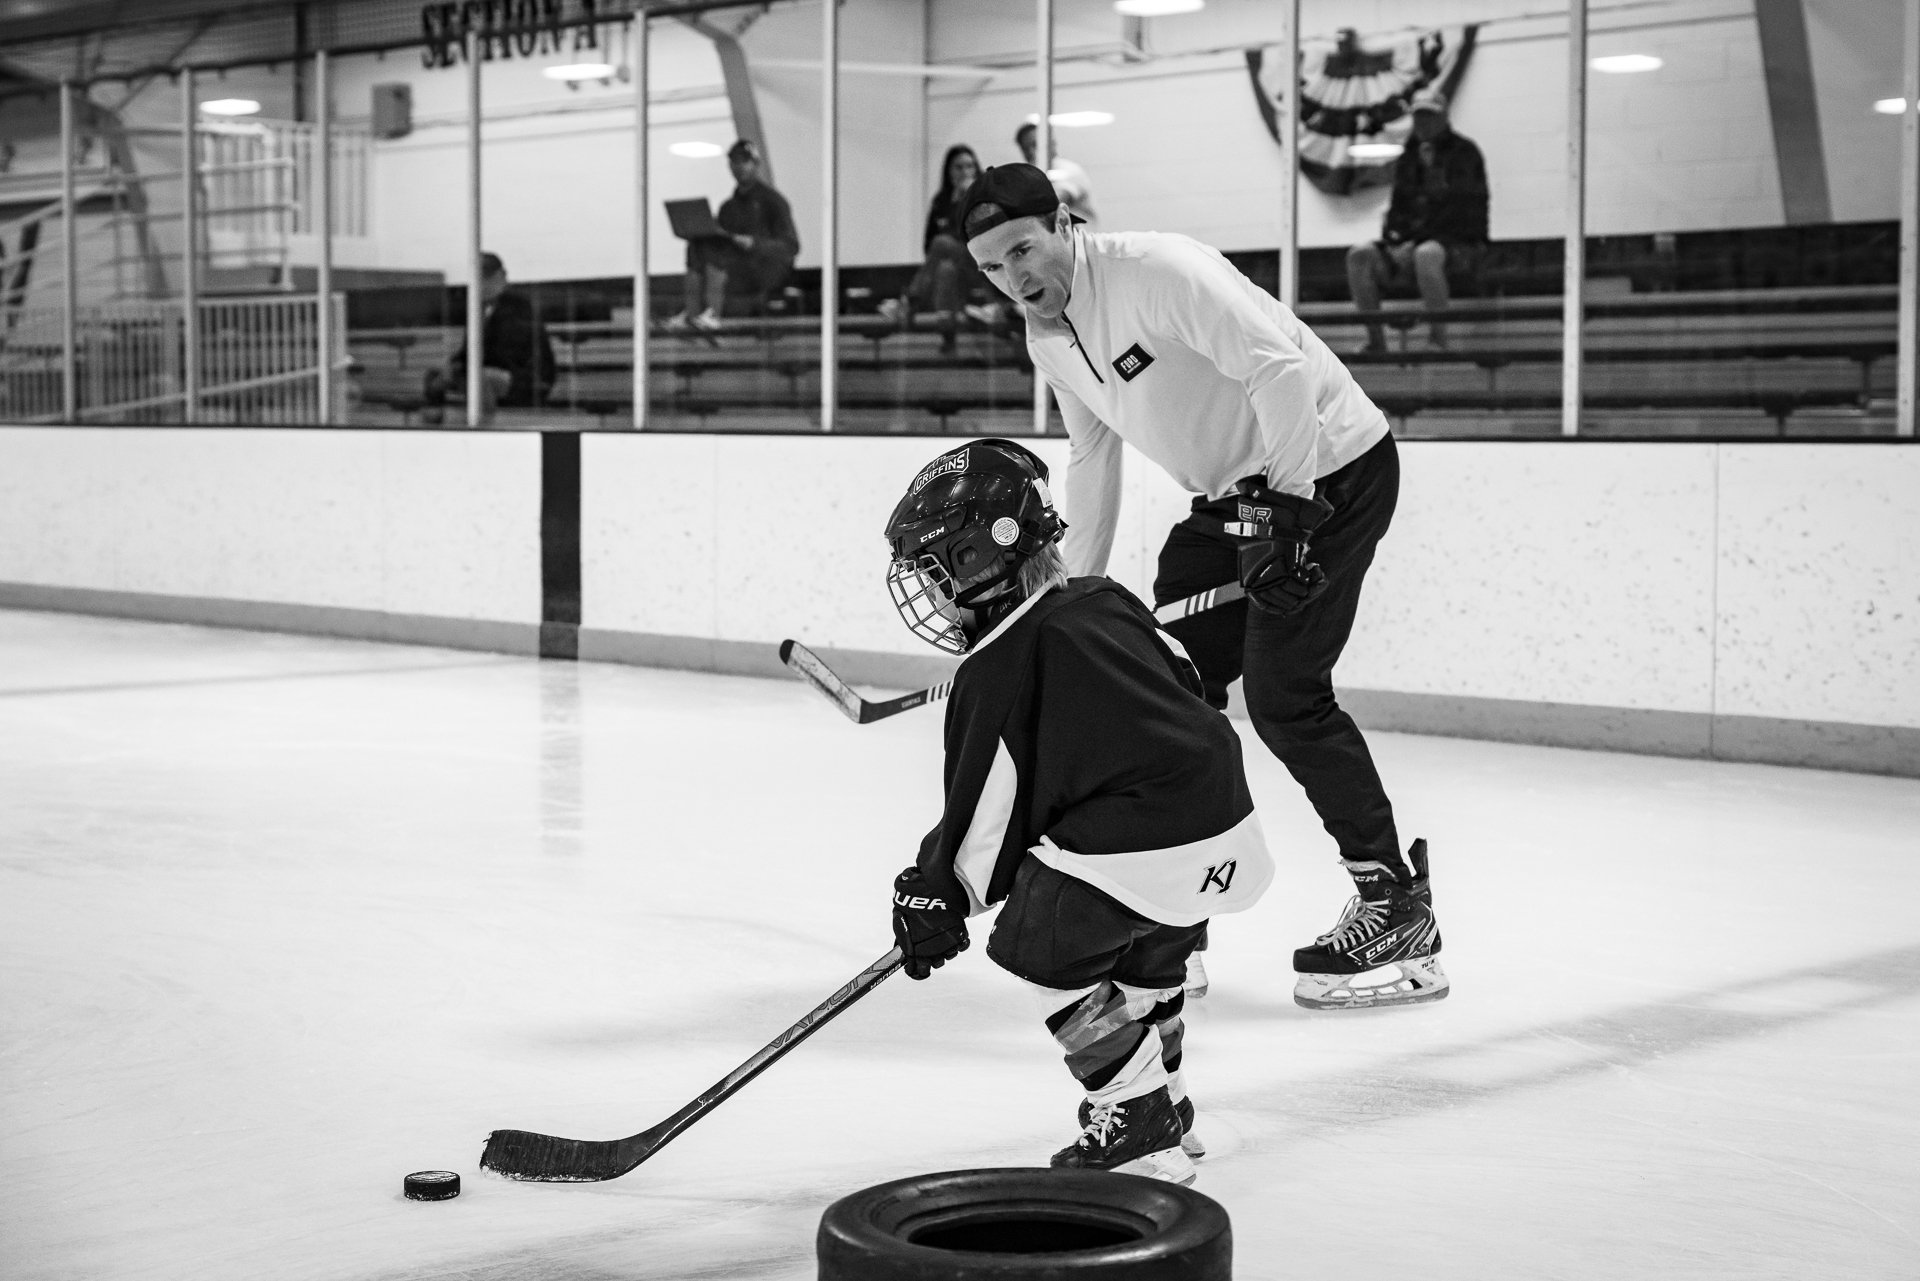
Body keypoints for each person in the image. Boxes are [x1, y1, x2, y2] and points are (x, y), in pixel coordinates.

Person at [959, 163, 1448, 1013]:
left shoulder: (1157, 272)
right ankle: (1175, 920)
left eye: (1024, 250)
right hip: (1234, 502)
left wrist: (1292, 507)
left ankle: (1397, 907)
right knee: (1165, 684)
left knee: (1287, 697)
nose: (1015, 278)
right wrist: (1065, 600)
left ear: (1066, 222)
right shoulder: (1047, 336)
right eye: (993, 268)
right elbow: (1091, 455)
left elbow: (1279, 367)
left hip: (1329, 469)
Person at [884, 437, 1272, 1184]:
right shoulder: (1105, 598)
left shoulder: (993, 670)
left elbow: (981, 834)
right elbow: (1188, 682)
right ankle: (1171, 1099)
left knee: (1045, 943)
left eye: (937, 574)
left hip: (1143, 839)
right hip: (1226, 826)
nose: (932, 596)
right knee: (1143, 961)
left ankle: (1135, 1115)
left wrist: (934, 890)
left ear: (981, 558)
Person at [1345, 87, 1489, 352]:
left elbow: (1462, 212)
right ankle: (1376, 340)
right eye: (1419, 117)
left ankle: (1438, 338)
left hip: (1458, 244)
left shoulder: (1465, 154)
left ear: (1444, 117)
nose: (1423, 123)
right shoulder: (1408, 157)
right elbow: (1397, 207)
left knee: (1427, 255)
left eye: (1429, 116)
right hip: (1412, 243)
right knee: (1359, 255)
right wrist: (1395, 240)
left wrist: (1414, 241)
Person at [669, 139, 800, 332]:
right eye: (735, 162)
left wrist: (754, 243)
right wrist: (698, 231)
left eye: (745, 161)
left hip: (762, 270)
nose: (740, 167)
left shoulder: (773, 202)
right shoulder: (728, 207)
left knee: (717, 256)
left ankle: (713, 313)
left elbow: (791, 246)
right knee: (697, 247)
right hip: (735, 269)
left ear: (756, 164)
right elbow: (720, 240)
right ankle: (692, 313)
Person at [879, 144, 998, 350]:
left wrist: (964, 200)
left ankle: (909, 304)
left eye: (969, 166)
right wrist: (954, 202)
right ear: (949, 171)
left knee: (942, 244)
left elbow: (975, 236)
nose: (965, 172)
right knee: (945, 268)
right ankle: (948, 342)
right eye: (958, 167)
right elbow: (928, 246)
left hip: (980, 265)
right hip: (956, 273)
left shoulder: (982, 199)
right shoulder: (941, 201)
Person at [420, 252, 555, 425]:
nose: (481, 285)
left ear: (500, 277)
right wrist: (454, 365)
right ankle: (434, 424)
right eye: (479, 279)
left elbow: (510, 355)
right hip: (488, 369)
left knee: (482, 377)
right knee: (436, 376)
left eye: (486, 278)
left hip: (524, 376)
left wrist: (468, 368)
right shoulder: (478, 309)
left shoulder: (519, 307)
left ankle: (484, 428)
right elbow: (468, 351)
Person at [1015, 120, 1096, 228]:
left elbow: (1055, 202)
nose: (1031, 152)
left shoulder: (1068, 170)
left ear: (1051, 143)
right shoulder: (1031, 177)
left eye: (1035, 145)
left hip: (1080, 242)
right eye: (1025, 149)